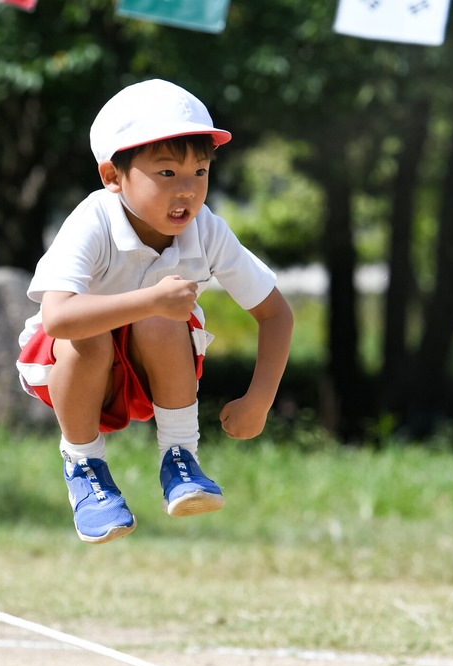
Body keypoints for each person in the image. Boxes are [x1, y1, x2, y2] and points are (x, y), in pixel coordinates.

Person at [16, 78, 293, 544]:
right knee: (99, 330)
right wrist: (152, 299)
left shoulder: (207, 229)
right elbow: (58, 318)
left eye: (200, 172)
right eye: (166, 173)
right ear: (112, 176)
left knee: (162, 319)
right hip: (69, 368)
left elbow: (276, 313)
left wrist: (259, 400)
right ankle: (84, 465)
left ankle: (181, 459)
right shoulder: (93, 221)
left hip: (152, 371)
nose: (187, 190)